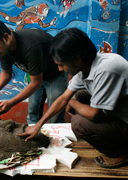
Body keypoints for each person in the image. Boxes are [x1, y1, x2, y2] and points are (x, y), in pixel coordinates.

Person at [18, 27, 128, 169]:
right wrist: (38, 126)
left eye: (61, 65)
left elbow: (93, 114)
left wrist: (71, 101)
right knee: (81, 95)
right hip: (120, 112)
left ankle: (121, 153)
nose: (60, 70)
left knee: (78, 123)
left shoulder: (107, 69)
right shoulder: (85, 68)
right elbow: (63, 98)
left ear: (77, 59)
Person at [0, 18, 67, 124]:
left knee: (55, 115)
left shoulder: (31, 45)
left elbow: (36, 83)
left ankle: (57, 138)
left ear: (6, 37)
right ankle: (33, 137)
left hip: (55, 75)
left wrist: (11, 103)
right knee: (33, 113)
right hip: (35, 76)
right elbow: (6, 72)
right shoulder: (3, 49)